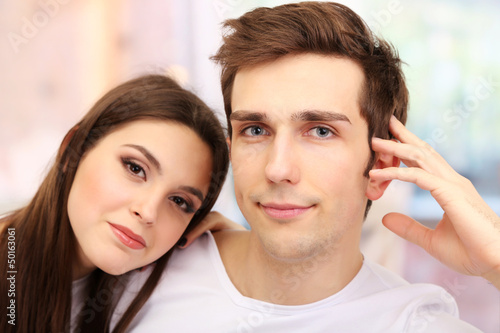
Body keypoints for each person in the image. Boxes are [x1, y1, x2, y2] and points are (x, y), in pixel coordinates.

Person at [124, 2, 498, 332]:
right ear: (232, 150)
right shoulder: (142, 271)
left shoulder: (414, 324)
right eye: (255, 130)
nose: (278, 168)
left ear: (380, 165)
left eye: (320, 131)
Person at [0, 74, 236, 332]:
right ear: (72, 151)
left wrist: (236, 246)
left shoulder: (146, 296)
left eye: (179, 201)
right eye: (135, 168)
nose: (148, 212)